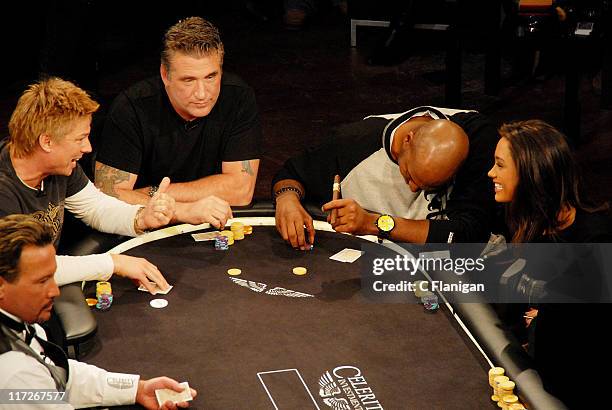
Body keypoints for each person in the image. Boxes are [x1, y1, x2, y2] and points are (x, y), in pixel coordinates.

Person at [0, 214, 197, 409]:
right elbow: (33, 386)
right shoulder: (14, 373)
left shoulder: (16, 322)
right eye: (42, 281)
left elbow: (57, 374)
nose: (55, 291)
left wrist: (136, 389)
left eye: (53, 277)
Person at [0, 77, 172, 294]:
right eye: (80, 139)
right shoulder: (4, 190)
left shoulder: (60, 167)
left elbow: (95, 208)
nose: (88, 148)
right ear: (47, 142)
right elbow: (28, 268)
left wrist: (141, 217)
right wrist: (113, 264)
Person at [487, 119, 611, 406]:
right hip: (543, 365)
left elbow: (587, 340)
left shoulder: (593, 244)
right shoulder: (524, 215)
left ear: (531, 174)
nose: (491, 172)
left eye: (500, 165)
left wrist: (545, 317)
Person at [94, 16, 259, 226]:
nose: (202, 93)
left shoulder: (238, 98)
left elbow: (240, 191)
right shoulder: (132, 107)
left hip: (212, 224)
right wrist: (183, 210)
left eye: (210, 77)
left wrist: (153, 193)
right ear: (165, 75)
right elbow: (107, 198)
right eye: (188, 80)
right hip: (143, 228)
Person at [273, 106, 500, 249]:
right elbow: (290, 175)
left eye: (431, 186)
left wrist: (374, 223)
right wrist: (287, 200)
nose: (413, 189)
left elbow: (469, 236)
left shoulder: (478, 139)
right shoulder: (353, 143)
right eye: (410, 175)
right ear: (407, 140)